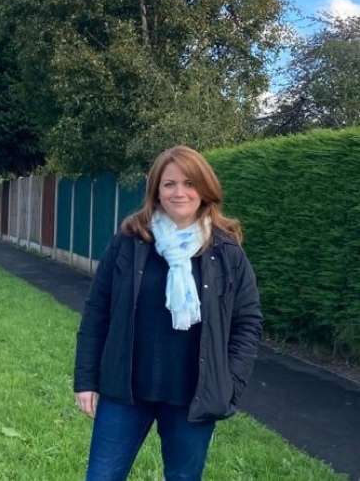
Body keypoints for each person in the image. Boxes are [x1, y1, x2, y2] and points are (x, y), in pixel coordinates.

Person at [73, 145, 262, 481]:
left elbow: (247, 323)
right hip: (125, 392)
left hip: (192, 399)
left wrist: (230, 384)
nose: (179, 192)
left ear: (204, 190)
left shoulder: (226, 252)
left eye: (189, 183)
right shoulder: (129, 242)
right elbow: (97, 312)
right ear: (156, 191)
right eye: (169, 183)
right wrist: (86, 380)